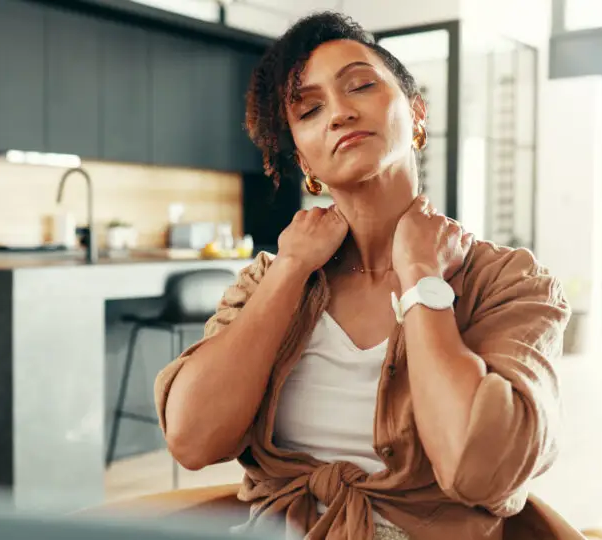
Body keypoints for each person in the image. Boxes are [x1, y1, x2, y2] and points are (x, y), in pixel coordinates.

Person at [154, 12, 572, 540]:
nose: (339, 113)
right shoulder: (268, 279)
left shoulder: (509, 283)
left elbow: (477, 469)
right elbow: (192, 441)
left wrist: (422, 278)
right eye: (309, 110)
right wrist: (291, 269)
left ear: (416, 112)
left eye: (360, 86)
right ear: (304, 160)